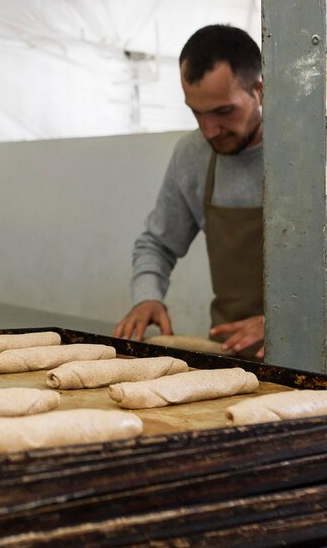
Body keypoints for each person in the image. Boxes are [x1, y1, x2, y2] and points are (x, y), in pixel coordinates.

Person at [112, 25, 265, 358]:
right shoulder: (192, 155)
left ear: (259, 91)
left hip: (316, 360)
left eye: (224, 111)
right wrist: (147, 296)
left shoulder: (309, 154)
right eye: (197, 112)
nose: (209, 130)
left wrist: (288, 323)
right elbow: (157, 243)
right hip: (233, 358)